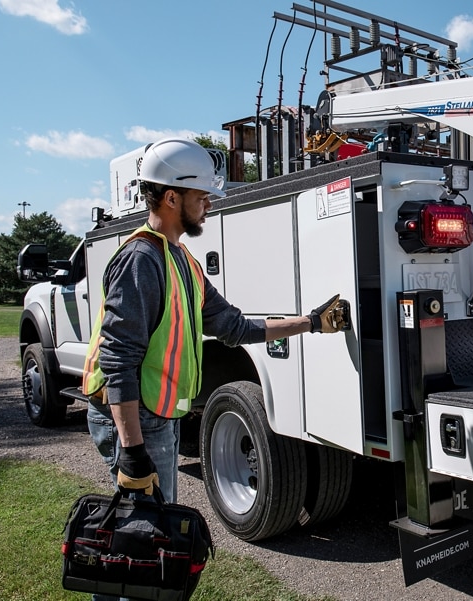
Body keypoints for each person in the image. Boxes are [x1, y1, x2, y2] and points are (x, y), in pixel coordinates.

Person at [81, 137, 347, 599]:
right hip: (132, 421)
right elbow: (118, 358)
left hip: (156, 418)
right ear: (170, 197)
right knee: (139, 542)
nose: (208, 206)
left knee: (151, 537)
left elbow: (232, 325)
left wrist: (310, 323)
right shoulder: (140, 260)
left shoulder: (181, 260)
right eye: (202, 197)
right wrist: (131, 449)